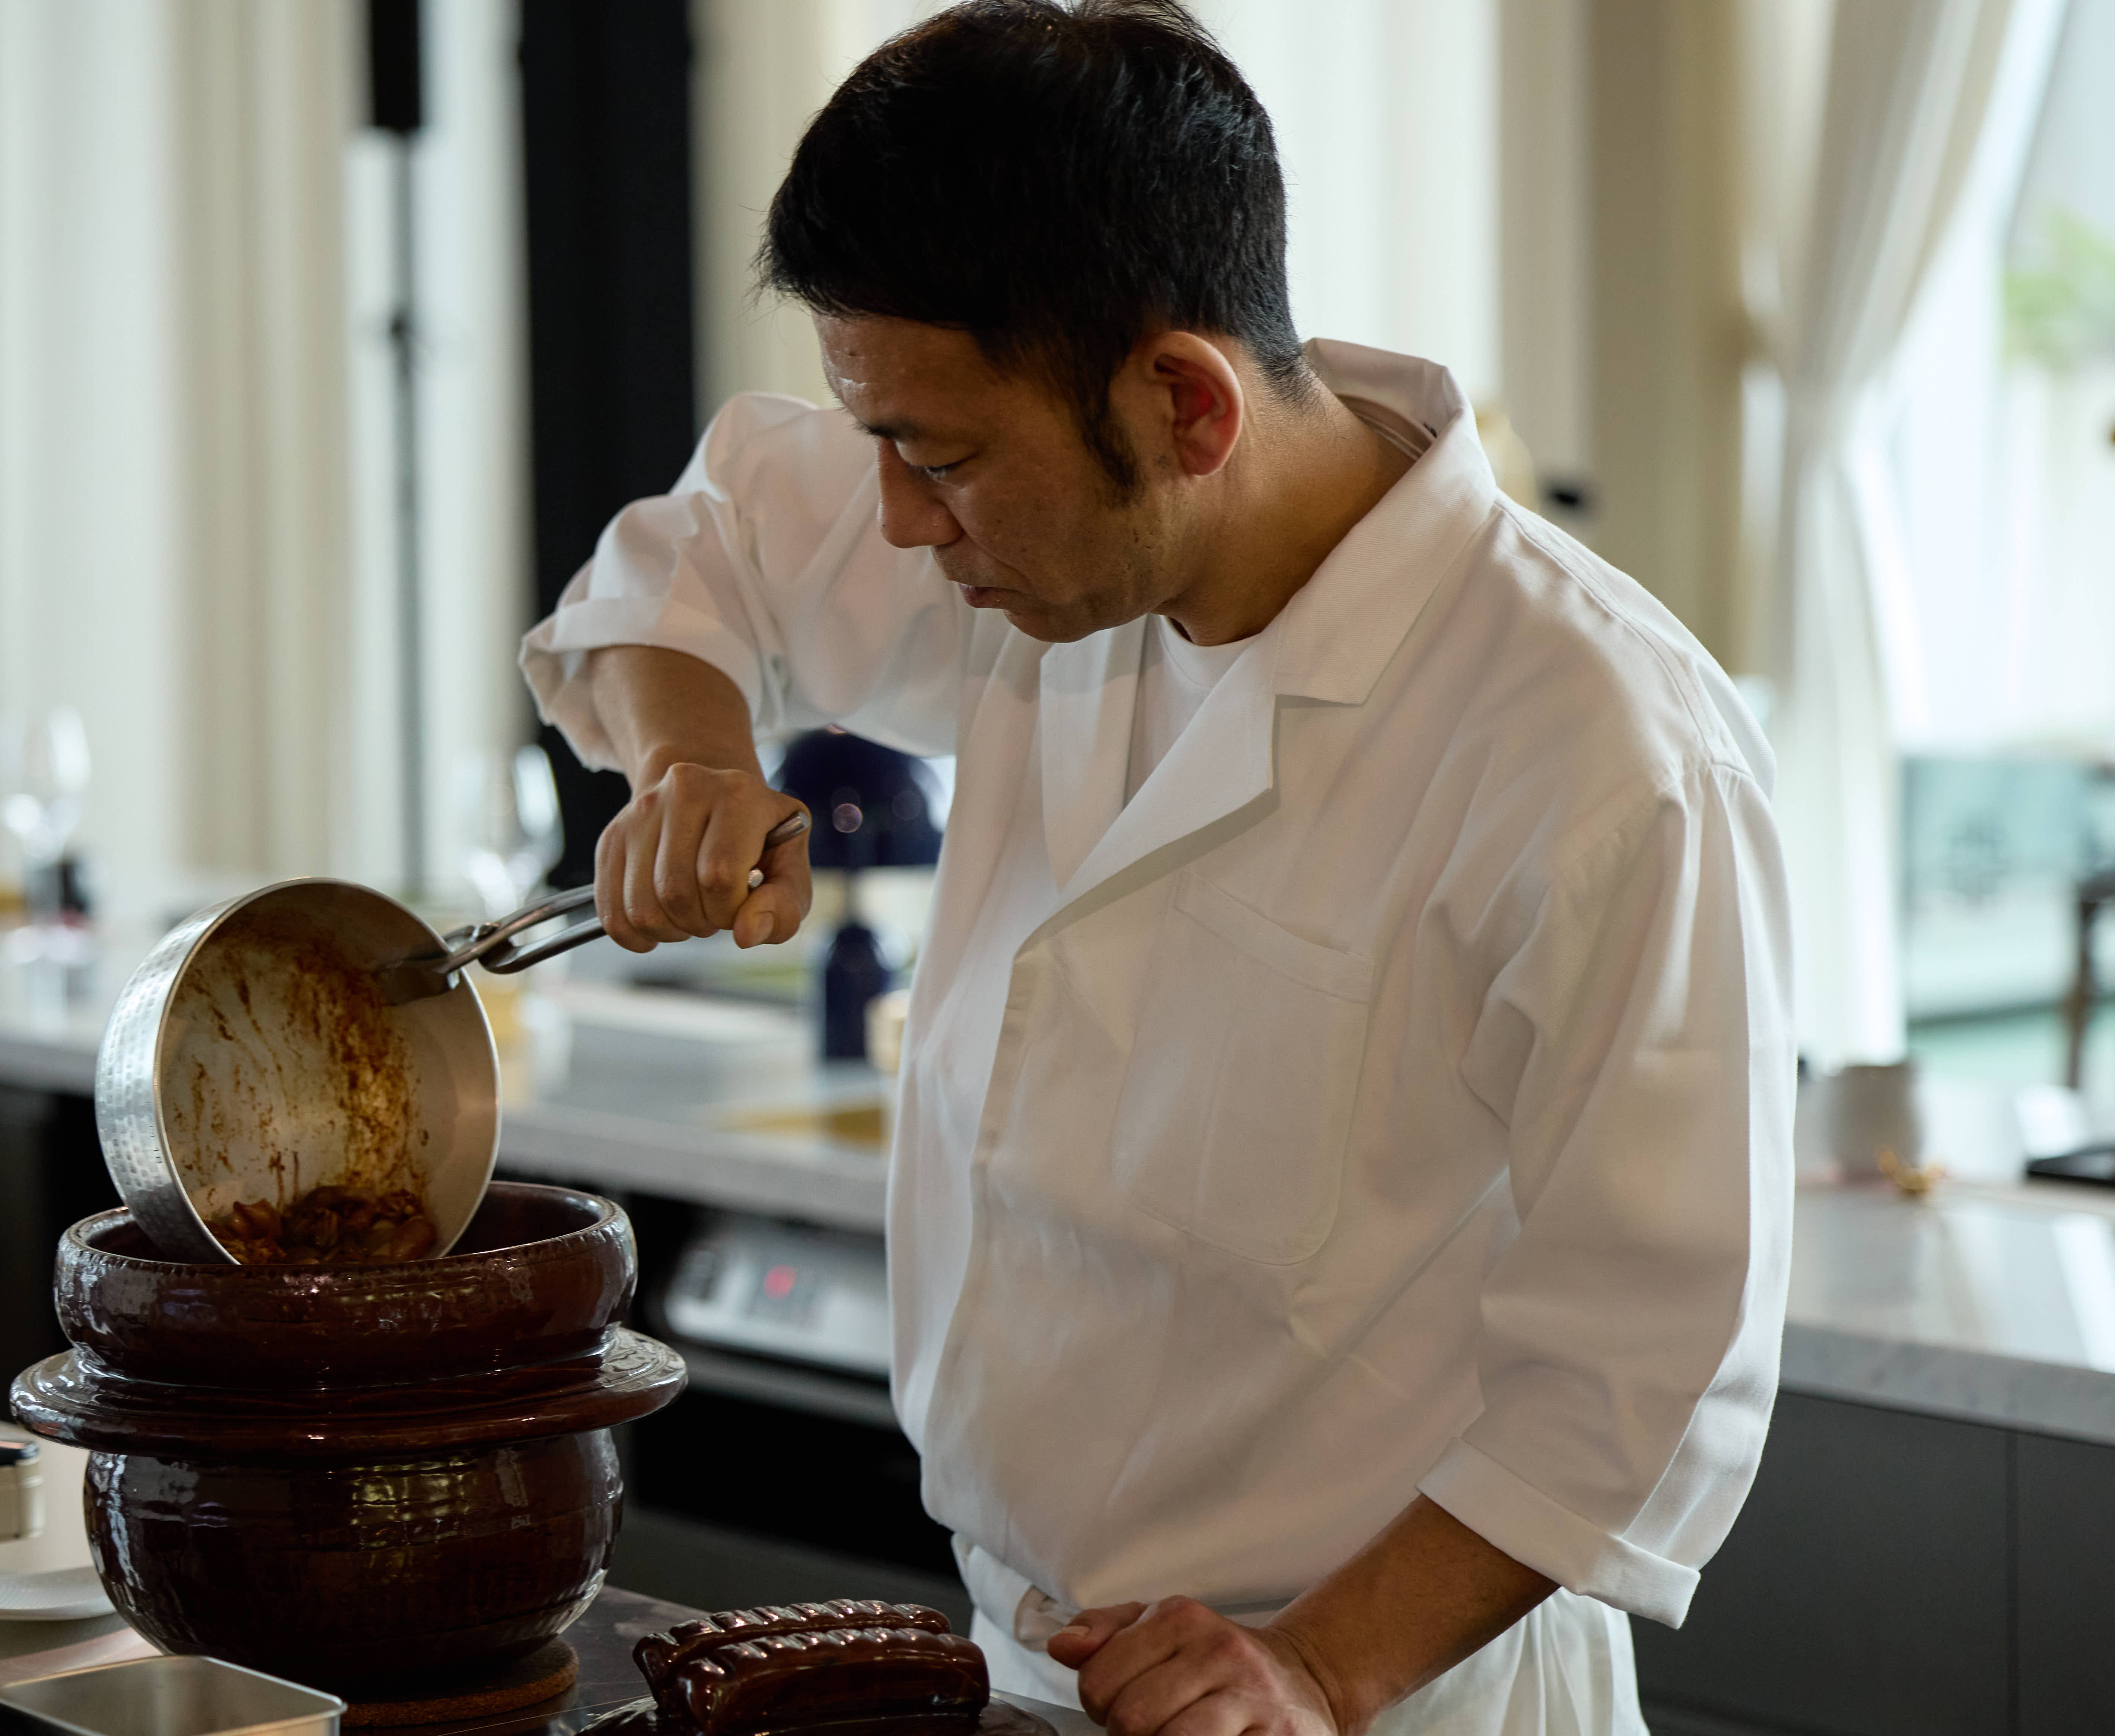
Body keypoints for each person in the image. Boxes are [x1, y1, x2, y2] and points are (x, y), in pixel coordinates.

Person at [521, 4, 1792, 1732]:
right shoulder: (1050, 543)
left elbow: (1647, 1361)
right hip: (1022, 1648)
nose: (894, 518)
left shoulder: (1600, 745)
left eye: (939, 460)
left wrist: (1322, 1662)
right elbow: (707, 550)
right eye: (882, 441)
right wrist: (690, 757)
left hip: (1371, 1693)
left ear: (1186, 404)